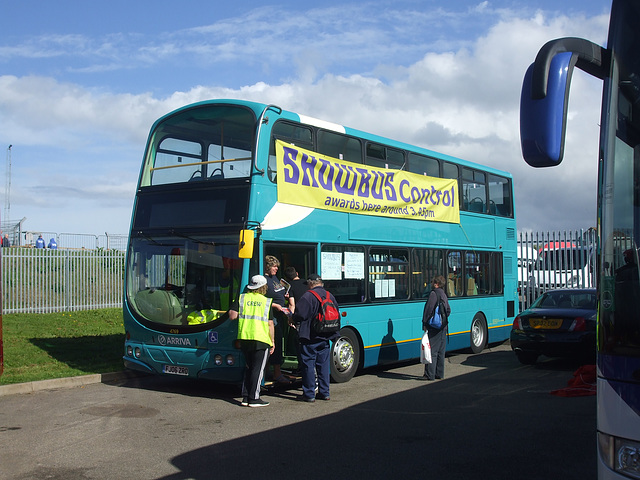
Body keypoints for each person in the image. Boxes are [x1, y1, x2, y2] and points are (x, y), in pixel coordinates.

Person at [227, 275, 275, 407]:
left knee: (249, 368)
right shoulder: (266, 301)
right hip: (261, 338)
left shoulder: (242, 298)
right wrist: (272, 341)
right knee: (258, 369)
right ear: (263, 287)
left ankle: (246, 397)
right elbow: (270, 324)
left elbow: (232, 316)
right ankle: (254, 398)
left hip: (244, 337)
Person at [292, 274, 340, 402]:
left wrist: (291, 317)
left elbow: (300, 315)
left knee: (308, 364)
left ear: (310, 283)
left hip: (309, 336)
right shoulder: (330, 295)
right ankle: (325, 392)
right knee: (323, 365)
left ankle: (309, 394)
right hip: (325, 335)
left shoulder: (308, 296)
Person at [264, 255, 291, 384]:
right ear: (268, 266)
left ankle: (272, 371)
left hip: (280, 315)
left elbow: (277, 290)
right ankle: (276, 373)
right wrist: (274, 305)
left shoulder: (274, 278)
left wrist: (284, 295)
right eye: (274, 266)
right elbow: (261, 299)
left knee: (278, 341)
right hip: (271, 315)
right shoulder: (263, 280)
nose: (276, 269)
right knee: (275, 342)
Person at [421, 275, 451, 381]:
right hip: (443, 327)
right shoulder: (443, 294)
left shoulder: (434, 294)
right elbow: (448, 310)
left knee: (432, 351)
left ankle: (430, 374)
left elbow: (428, 310)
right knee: (440, 352)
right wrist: (442, 321)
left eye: (433, 282)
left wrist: (425, 323)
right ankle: (439, 373)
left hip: (434, 327)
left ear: (436, 283)